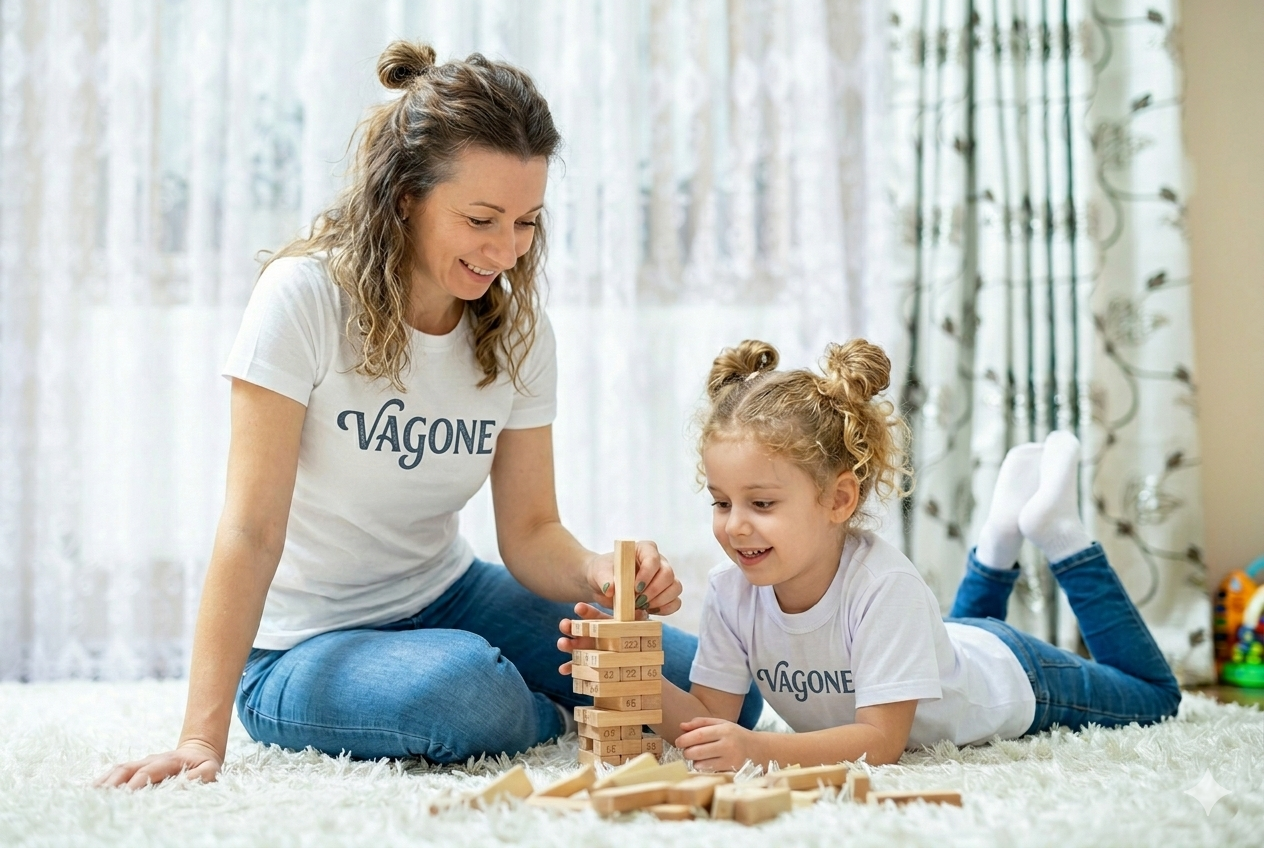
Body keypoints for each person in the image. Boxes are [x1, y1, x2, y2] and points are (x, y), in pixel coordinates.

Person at [97, 41, 761, 789]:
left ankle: (528, 693)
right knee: (464, 689)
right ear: (406, 195)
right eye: (481, 219)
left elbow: (532, 529)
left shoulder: (518, 333)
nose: (505, 251)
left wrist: (595, 572)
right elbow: (251, 531)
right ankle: (541, 709)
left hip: (448, 593)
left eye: (527, 223)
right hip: (301, 645)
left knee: (721, 693)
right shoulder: (304, 298)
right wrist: (199, 739)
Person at [562, 338, 1181, 771]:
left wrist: (757, 751)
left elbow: (881, 743)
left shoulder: (886, 586)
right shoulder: (731, 592)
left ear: (839, 499)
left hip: (1017, 680)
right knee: (948, 634)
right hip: (940, 645)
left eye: (762, 503)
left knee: (1154, 696)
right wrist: (632, 670)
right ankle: (995, 544)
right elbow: (705, 721)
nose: (735, 527)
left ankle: (1058, 534)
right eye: (722, 503)